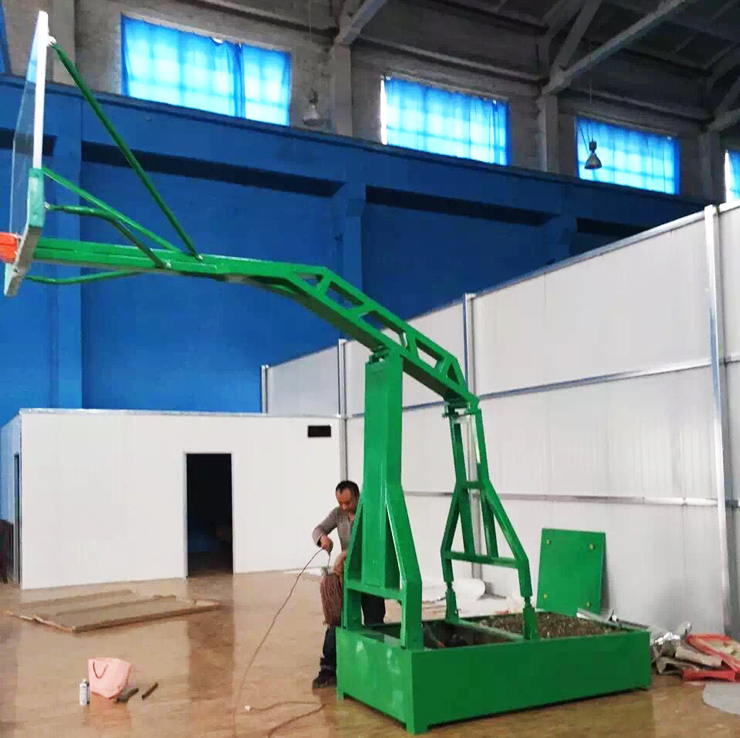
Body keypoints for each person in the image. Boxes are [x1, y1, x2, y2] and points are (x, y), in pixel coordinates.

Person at [311, 480, 385, 688]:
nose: (344, 507)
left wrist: (344, 554)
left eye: (348, 502)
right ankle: (328, 669)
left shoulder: (370, 513)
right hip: (348, 579)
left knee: (374, 622)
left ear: (357, 497)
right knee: (336, 621)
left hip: (371, 578)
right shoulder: (338, 514)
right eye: (340, 503)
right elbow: (317, 529)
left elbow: (372, 545)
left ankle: (376, 669)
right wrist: (322, 538)